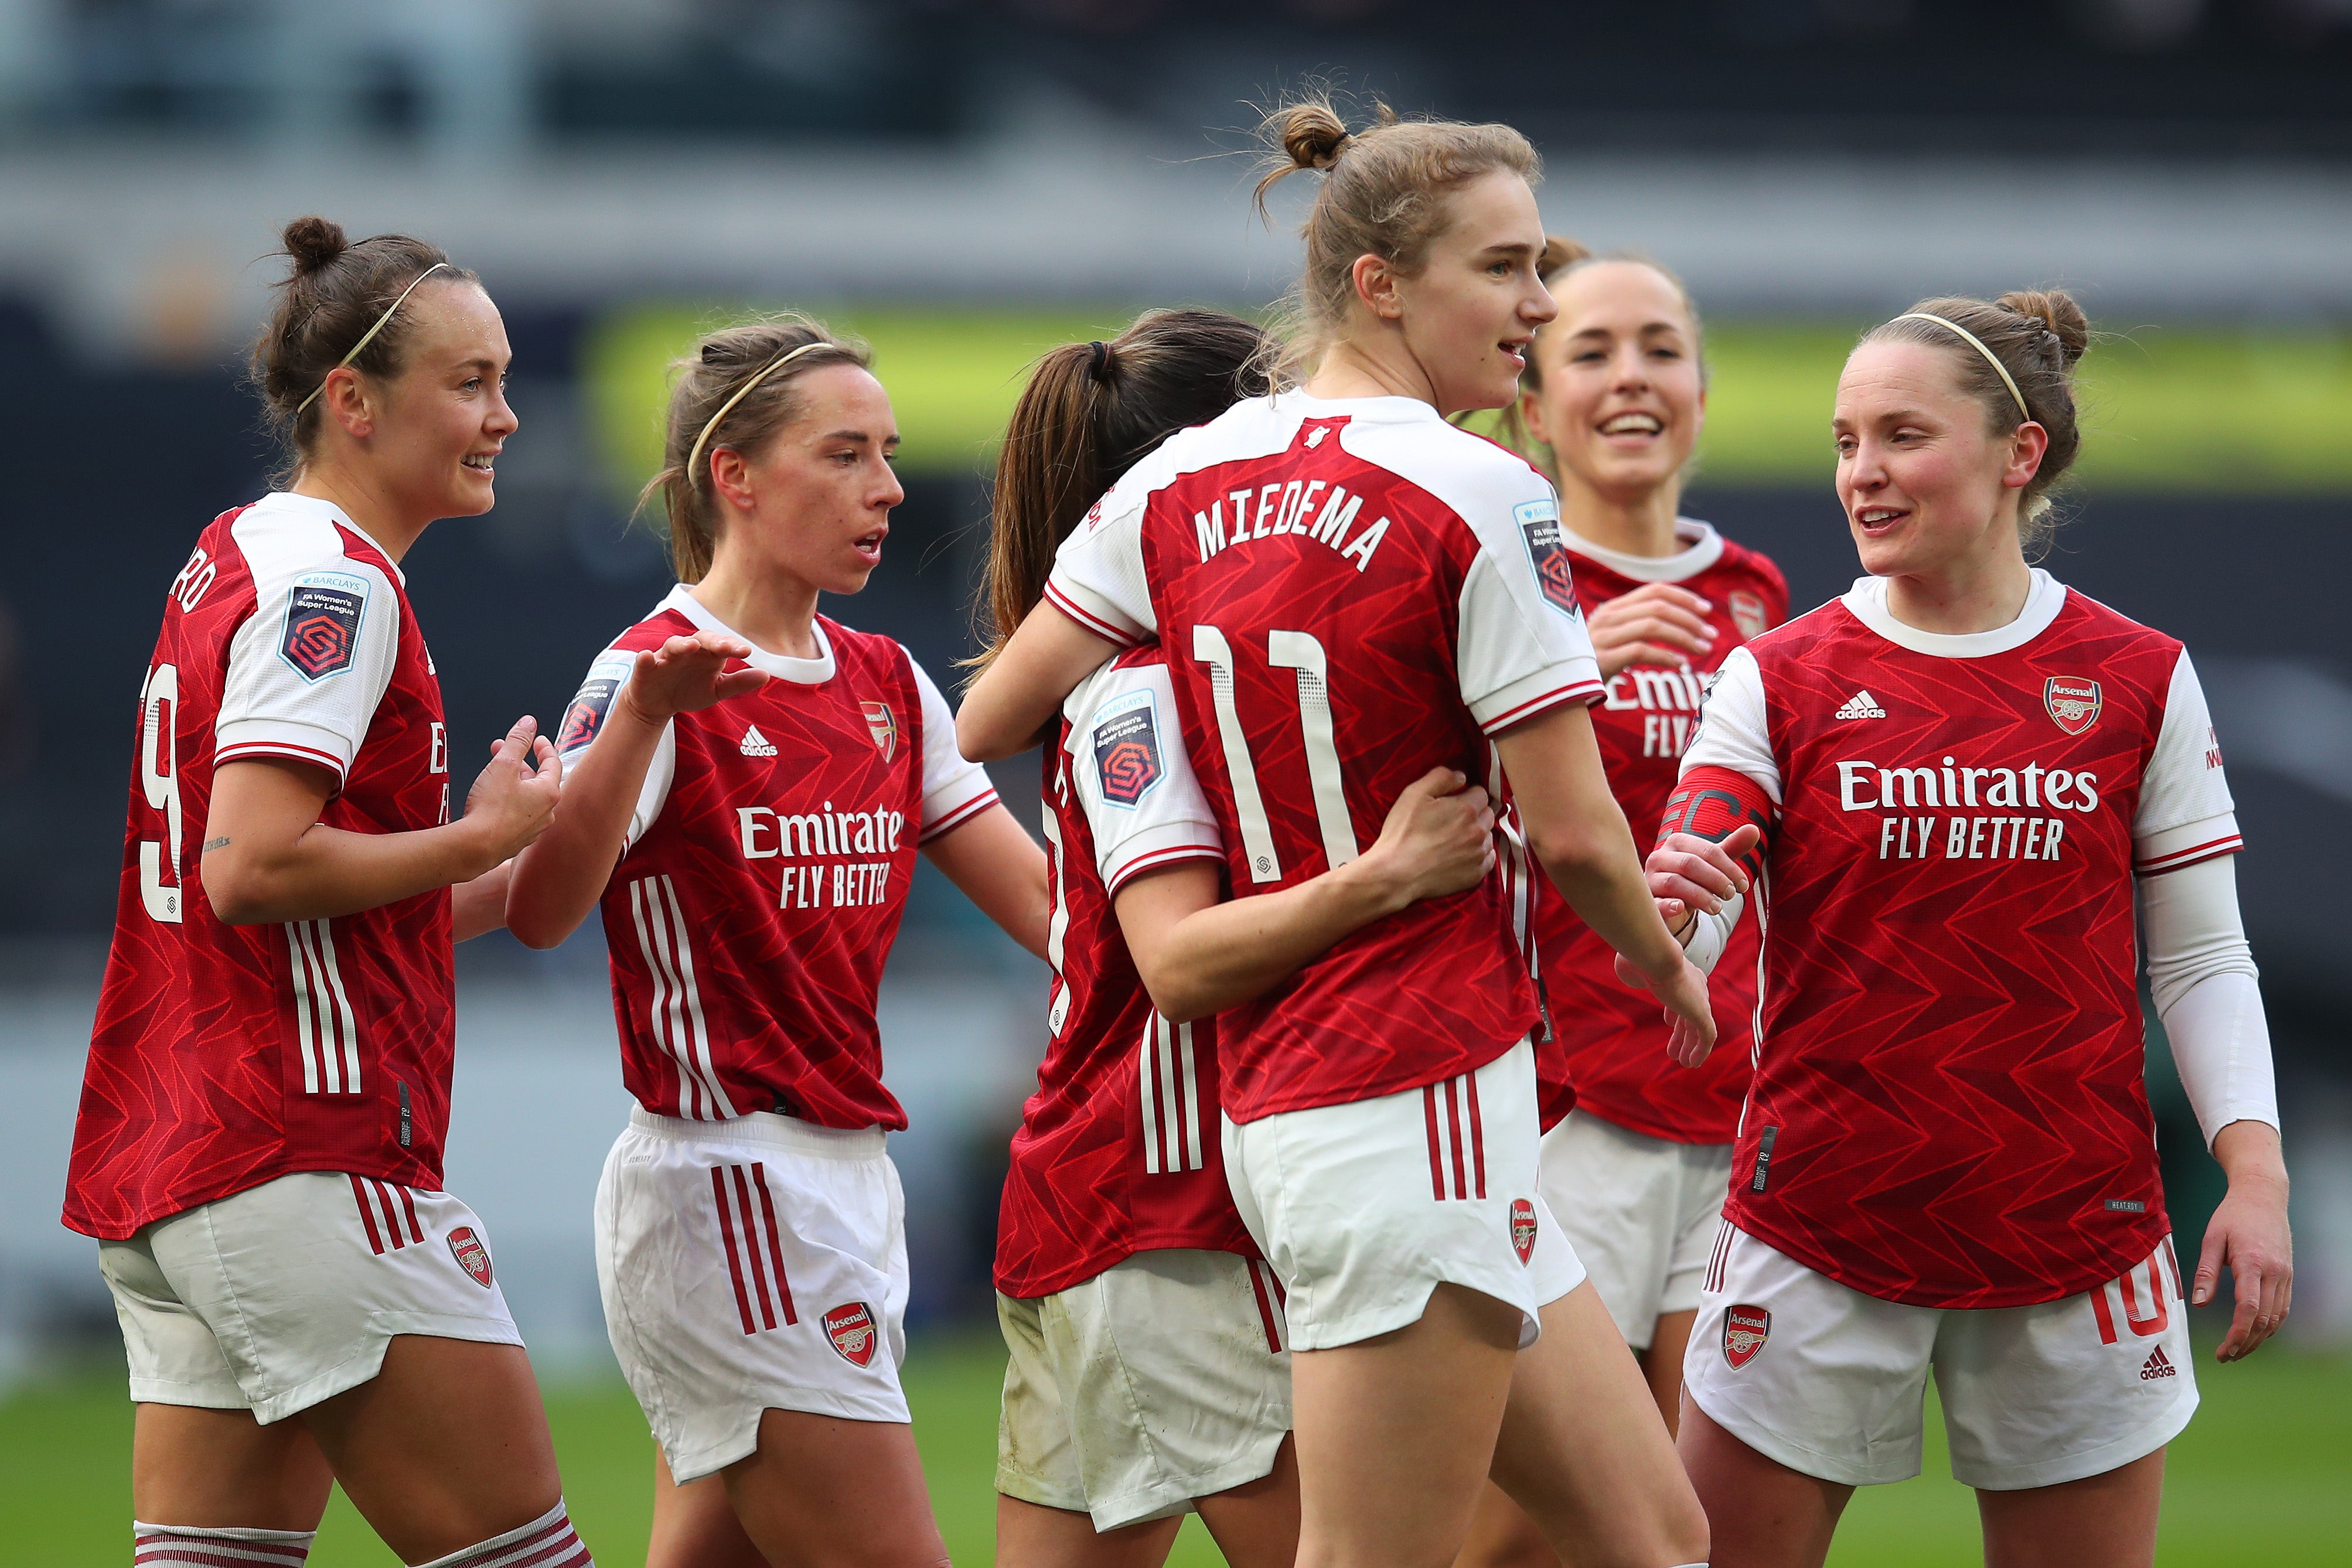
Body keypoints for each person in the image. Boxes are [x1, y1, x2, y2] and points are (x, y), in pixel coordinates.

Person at [960, 99, 1713, 1568]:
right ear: (1380, 281)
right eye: (1503, 270)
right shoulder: (1486, 489)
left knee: (1657, 1536)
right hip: (1404, 1088)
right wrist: (1667, 969)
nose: (1539, 307)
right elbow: (1572, 836)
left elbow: (989, 718)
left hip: (1340, 1121)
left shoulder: (1179, 481)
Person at [1643, 289, 2292, 1568]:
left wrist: (2253, 1172)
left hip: (2075, 1223)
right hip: (1815, 1227)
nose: (1862, 474)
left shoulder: (2139, 674)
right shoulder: (1776, 677)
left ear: (2019, 455)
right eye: (1843, 441)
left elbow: (2205, 956)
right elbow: (1688, 933)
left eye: (1900, 435)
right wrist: (1668, 931)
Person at [64, 217, 591, 1568]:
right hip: (300, 1152)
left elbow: (318, 896)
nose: (505, 416)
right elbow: (250, 869)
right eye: (469, 382)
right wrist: (475, 843)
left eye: (505, 377)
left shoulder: (238, 550)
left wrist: (499, 854)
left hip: (179, 1158)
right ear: (351, 402)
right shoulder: (335, 585)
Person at [503, 314, 1050, 1568]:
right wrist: (642, 721)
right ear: (734, 478)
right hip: (730, 1183)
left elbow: (1043, 908)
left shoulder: (886, 680)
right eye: (847, 454)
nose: (890, 488)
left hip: (844, 1183)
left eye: (890, 453)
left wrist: (1239, 951)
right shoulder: (649, 673)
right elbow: (541, 911)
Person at [983, 311, 1507, 1568]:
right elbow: (1177, 963)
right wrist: (1384, 878)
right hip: (1169, 1220)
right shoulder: (1145, 683)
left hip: (1101, 1210)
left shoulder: (1223, 671)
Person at [1459, 241, 1787, 1568]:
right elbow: (1412, 810)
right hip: (1560, 1104)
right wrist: (1554, 676)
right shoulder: (1503, 573)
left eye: (1661, 347)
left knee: (1672, 1519)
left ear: (1705, 387)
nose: (1632, 376)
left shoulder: (1759, 597)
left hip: (1729, 1103)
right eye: (1590, 351)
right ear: (1534, 405)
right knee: (1514, 1524)